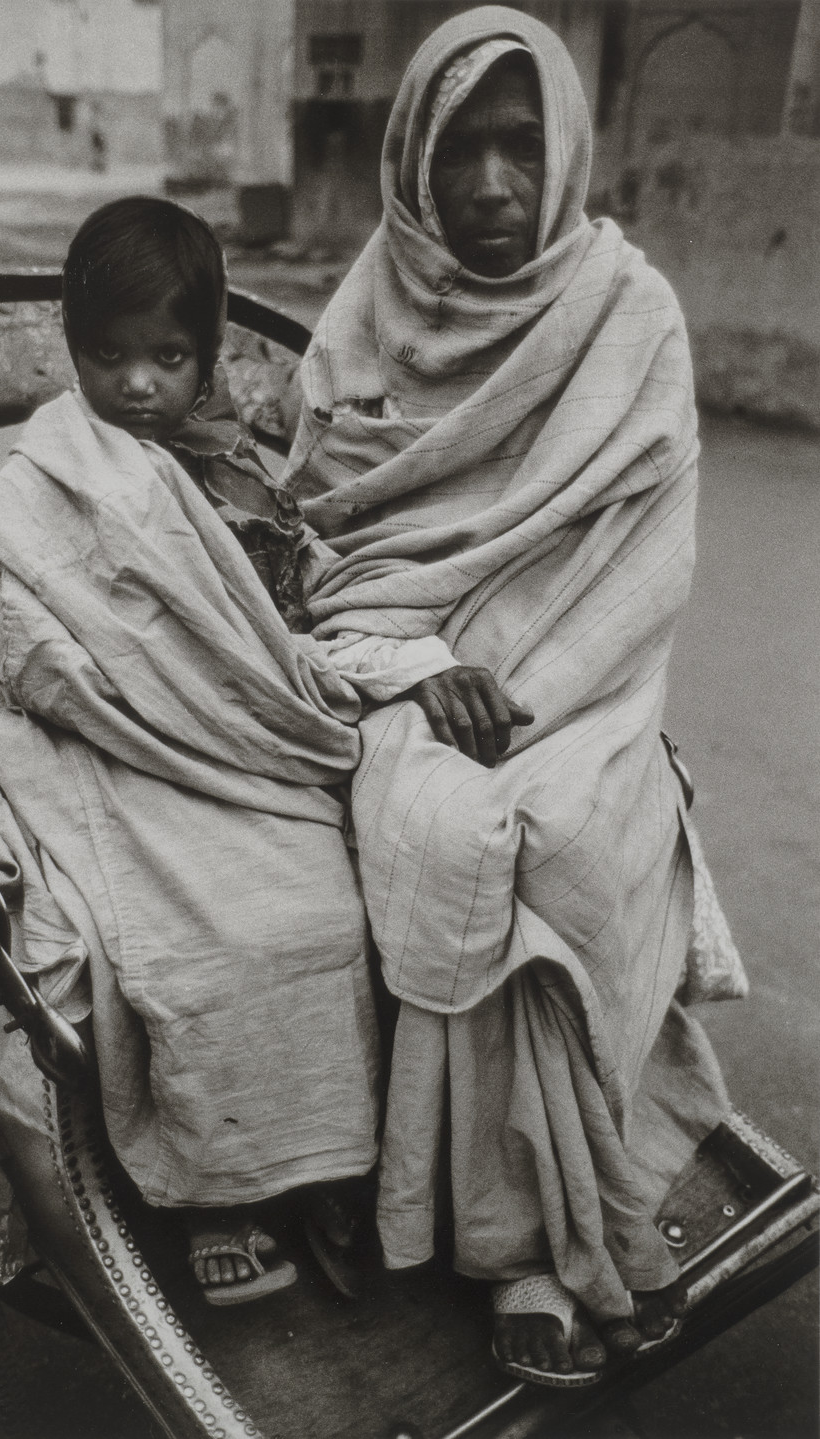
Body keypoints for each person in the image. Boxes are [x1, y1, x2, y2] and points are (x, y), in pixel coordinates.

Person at [284, 7, 747, 1385]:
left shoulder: (628, 312)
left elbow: (645, 558)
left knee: (561, 833)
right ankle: (519, 1241)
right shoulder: (360, 316)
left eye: (518, 143)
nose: (489, 184)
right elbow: (319, 552)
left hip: (580, 684)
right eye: (460, 148)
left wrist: (525, 691)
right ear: (412, 157)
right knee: (438, 831)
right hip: (405, 675)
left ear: (564, 153)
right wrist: (423, 670)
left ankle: (544, 1230)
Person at [0, 197, 461, 1304]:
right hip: (126, 758)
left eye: (169, 357)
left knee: (336, 907)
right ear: (73, 351)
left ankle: (332, 1158)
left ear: (208, 353)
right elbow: (22, 631)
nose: (138, 384)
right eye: (110, 355)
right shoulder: (48, 479)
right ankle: (222, 1191)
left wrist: (340, 663)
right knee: (201, 939)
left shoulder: (233, 466)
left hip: (244, 751)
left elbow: (287, 610)